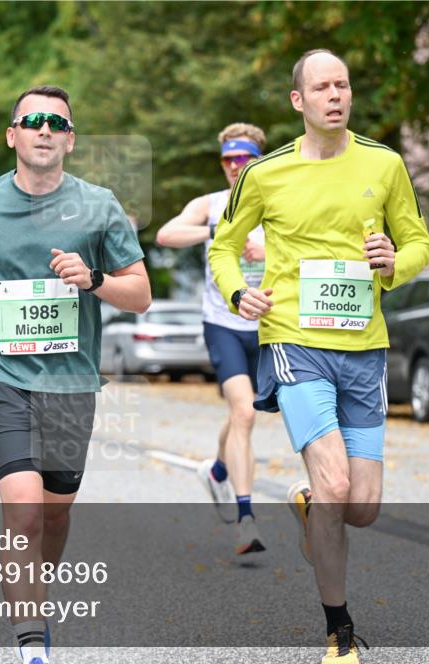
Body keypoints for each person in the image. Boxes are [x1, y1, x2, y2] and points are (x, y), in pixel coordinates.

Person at [209, 49, 429, 664]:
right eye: (322, 87)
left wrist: (396, 264)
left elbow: (419, 242)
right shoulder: (266, 174)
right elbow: (223, 249)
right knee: (335, 483)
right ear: (298, 101)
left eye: (344, 84)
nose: (336, 95)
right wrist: (237, 291)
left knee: (360, 507)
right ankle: (340, 631)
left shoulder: (385, 165)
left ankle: (309, 506)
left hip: (364, 347)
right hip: (294, 340)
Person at [0, 85, 150, 664]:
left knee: (53, 510)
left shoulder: (99, 205)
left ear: (69, 138)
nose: (45, 130)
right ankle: (33, 649)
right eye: (33, 121)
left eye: (57, 123)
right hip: (1, 375)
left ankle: (32, 592)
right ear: (12, 134)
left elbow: (140, 295)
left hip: (71, 382)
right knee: (21, 510)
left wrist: (92, 279)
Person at [156, 122, 269, 556]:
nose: (236, 167)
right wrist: (218, 232)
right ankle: (246, 520)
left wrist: (269, 252)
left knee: (247, 413)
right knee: (244, 411)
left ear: (259, 160)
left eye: (244, 159)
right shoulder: (211, 204)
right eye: (228, 160)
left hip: (269, 327)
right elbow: (167, 234)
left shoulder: (277, 202)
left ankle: (218, 470)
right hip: (223, 324)